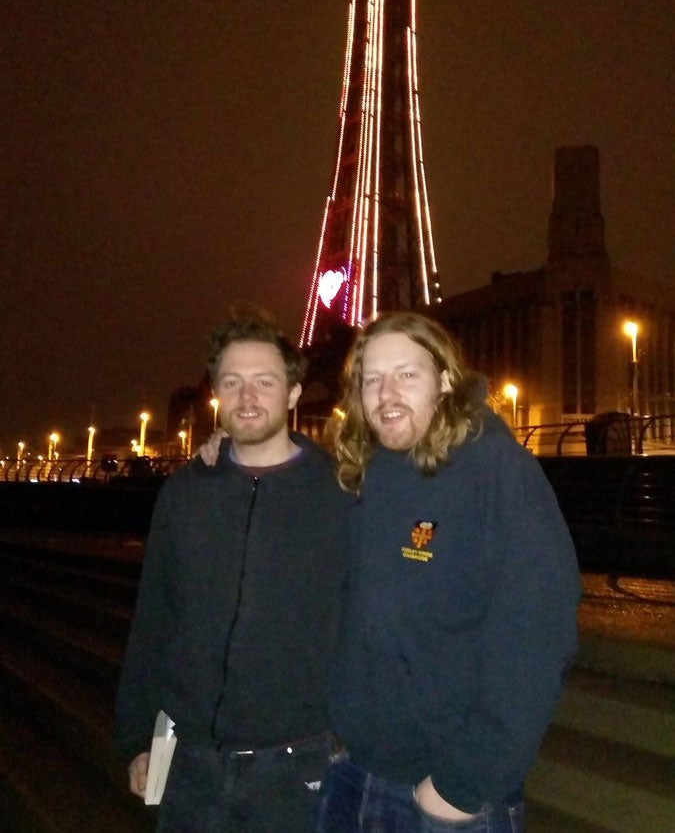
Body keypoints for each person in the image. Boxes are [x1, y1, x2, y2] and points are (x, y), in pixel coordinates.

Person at [313, 311, 581, 833]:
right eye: (372, 379)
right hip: (351, 771)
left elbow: (537, 633)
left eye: (407, 374)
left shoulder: (498, 470)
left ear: (445, 380)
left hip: (442, 793)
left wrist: (463, 782)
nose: (387, 393)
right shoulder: (358, 475)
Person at [114, 311, 347, 833]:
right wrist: (137, 738)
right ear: (217, 393)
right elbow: (155, 617)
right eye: (232, 383)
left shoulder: (340, 495)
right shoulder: (185, 493)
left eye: (264, 383)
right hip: (192, 762)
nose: (247, 398)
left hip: (297, 764)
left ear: (293, 394)